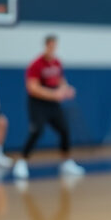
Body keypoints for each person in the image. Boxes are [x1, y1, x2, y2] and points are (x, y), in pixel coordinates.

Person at [13, 35, 84, 179]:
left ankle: (66, 163)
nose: (53, 49)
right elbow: (32, 88)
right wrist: (54, 94)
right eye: (50, 46)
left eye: (55, 46)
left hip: (53, 104)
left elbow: (61, 81)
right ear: (46, 46)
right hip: (37, 103)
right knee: (36, 131)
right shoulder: (36, 64)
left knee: (64, 129)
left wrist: (66, 89)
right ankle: (21, 162)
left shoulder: (57, 63)